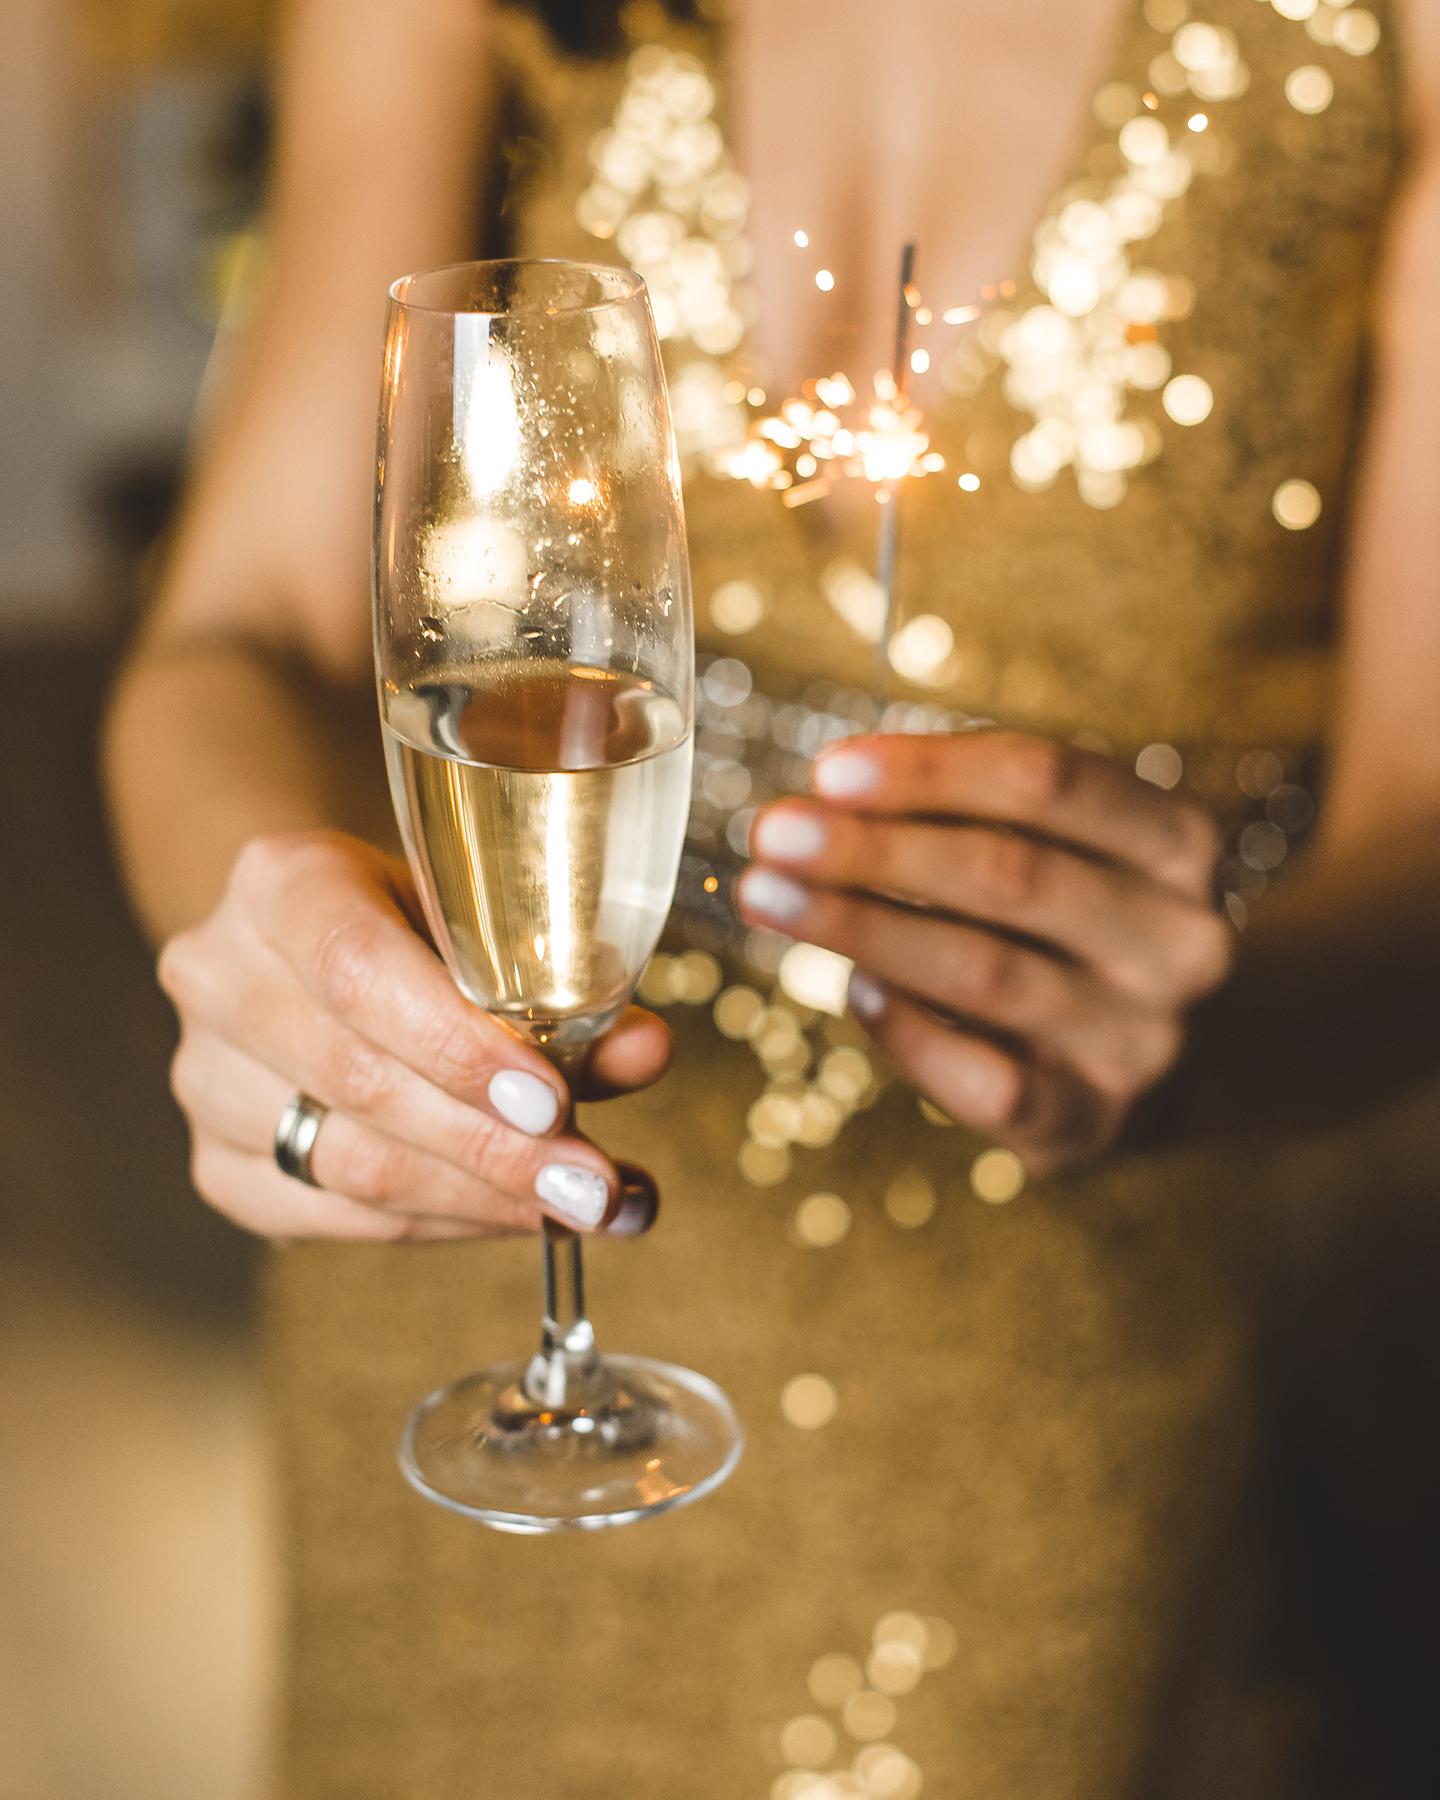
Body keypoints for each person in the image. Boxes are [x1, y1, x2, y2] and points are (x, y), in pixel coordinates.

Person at [104, 0, 1440, 1793]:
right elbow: (247, 629)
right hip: (462, 1299)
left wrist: (1211, 1023)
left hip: (1050, 1374)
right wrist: (279, 957)